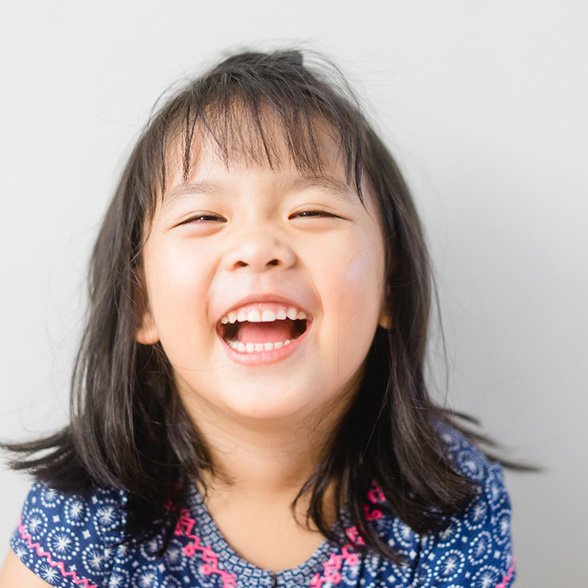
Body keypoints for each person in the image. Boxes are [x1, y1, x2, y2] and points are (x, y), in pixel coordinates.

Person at [0, 49, 516, 587]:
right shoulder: (90, 505)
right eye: (204, 216)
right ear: (141, 303)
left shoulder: (449, 501)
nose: (257, 247)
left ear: (391, 287)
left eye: (311, 211)